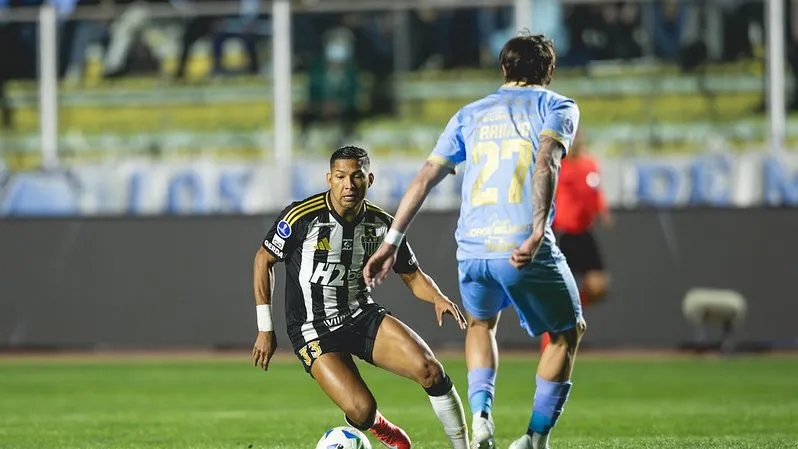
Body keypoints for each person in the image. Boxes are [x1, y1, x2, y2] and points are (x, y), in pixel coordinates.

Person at [364, 33, 586, 449]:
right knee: (567, 331)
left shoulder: (471, 114)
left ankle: (481, 415)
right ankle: (536, 438)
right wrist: (538, 227)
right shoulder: (557, 106)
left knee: (481, 324)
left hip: (472, 248)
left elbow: (425, 177)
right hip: (521, 245)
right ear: (550, 72)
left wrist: (392, 241)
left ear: (504, 69)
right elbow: (546, 160)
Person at [251, 146, 470, 449]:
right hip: (313, 329)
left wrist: (438, 298)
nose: (348, 185)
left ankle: (466, 447)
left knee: (430, 370)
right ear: (329, 178)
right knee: (361, 411)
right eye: (340, 176)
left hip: (360, 315)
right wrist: (266, 328)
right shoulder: (302, 216)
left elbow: (411, 274)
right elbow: (264, 259)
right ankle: (377, 425)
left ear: (370, 179)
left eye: (356, 177)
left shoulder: (382, 224)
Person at [542, 131, 611, 352]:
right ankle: (549, 338)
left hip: (584, 232)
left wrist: (602, 211)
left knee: (599, 286)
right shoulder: (558, 166)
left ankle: (573, 313)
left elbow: (595, 192)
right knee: (559, 292)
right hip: (564, 233)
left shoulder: (590, 164)